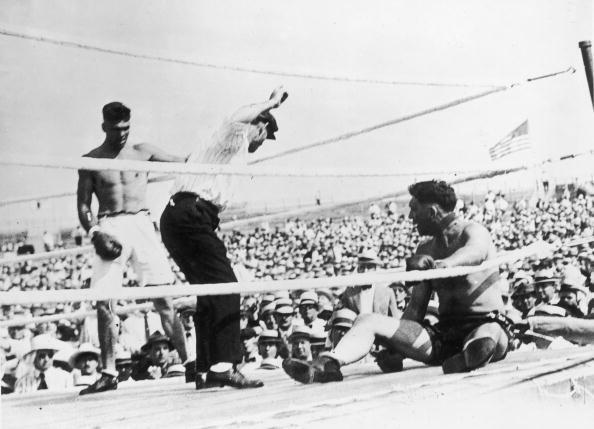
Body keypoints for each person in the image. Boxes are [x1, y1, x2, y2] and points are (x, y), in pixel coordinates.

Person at [283, 180, 511, 384]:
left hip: (484, 322)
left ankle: (472, 355)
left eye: (414, 210)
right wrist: (398, 348)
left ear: (432, 212)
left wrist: (440, 266)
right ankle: (327, 364)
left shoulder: (473, 231)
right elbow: (416, 309)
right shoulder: (425, 250)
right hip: (445, 335)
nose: (410, 217)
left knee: (488, 336)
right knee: (367, 320)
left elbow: (477, 252)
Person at [160, 87, 288, 389]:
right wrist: (270, 103)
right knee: (227, 286)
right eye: (264, 134)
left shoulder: (229, 153)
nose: (261, 143)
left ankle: (205, 369)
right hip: (190, 214)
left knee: (209, 291)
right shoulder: (232, 136)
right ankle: (224, 365)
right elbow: (236, 117)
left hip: (182, 216)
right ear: (260, 125)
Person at [76, 101, 189, 394]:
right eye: (116, 129)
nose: (122, 134)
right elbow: (83, 205)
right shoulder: (92, 160)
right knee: (105, 301)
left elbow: (183, 161)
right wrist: (94, 233)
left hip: (141, 223)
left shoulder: (144, 151)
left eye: (126, 128)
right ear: (104, 127)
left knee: (164, 299)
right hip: (109, 225)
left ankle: (190, 363)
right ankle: (108, 372)